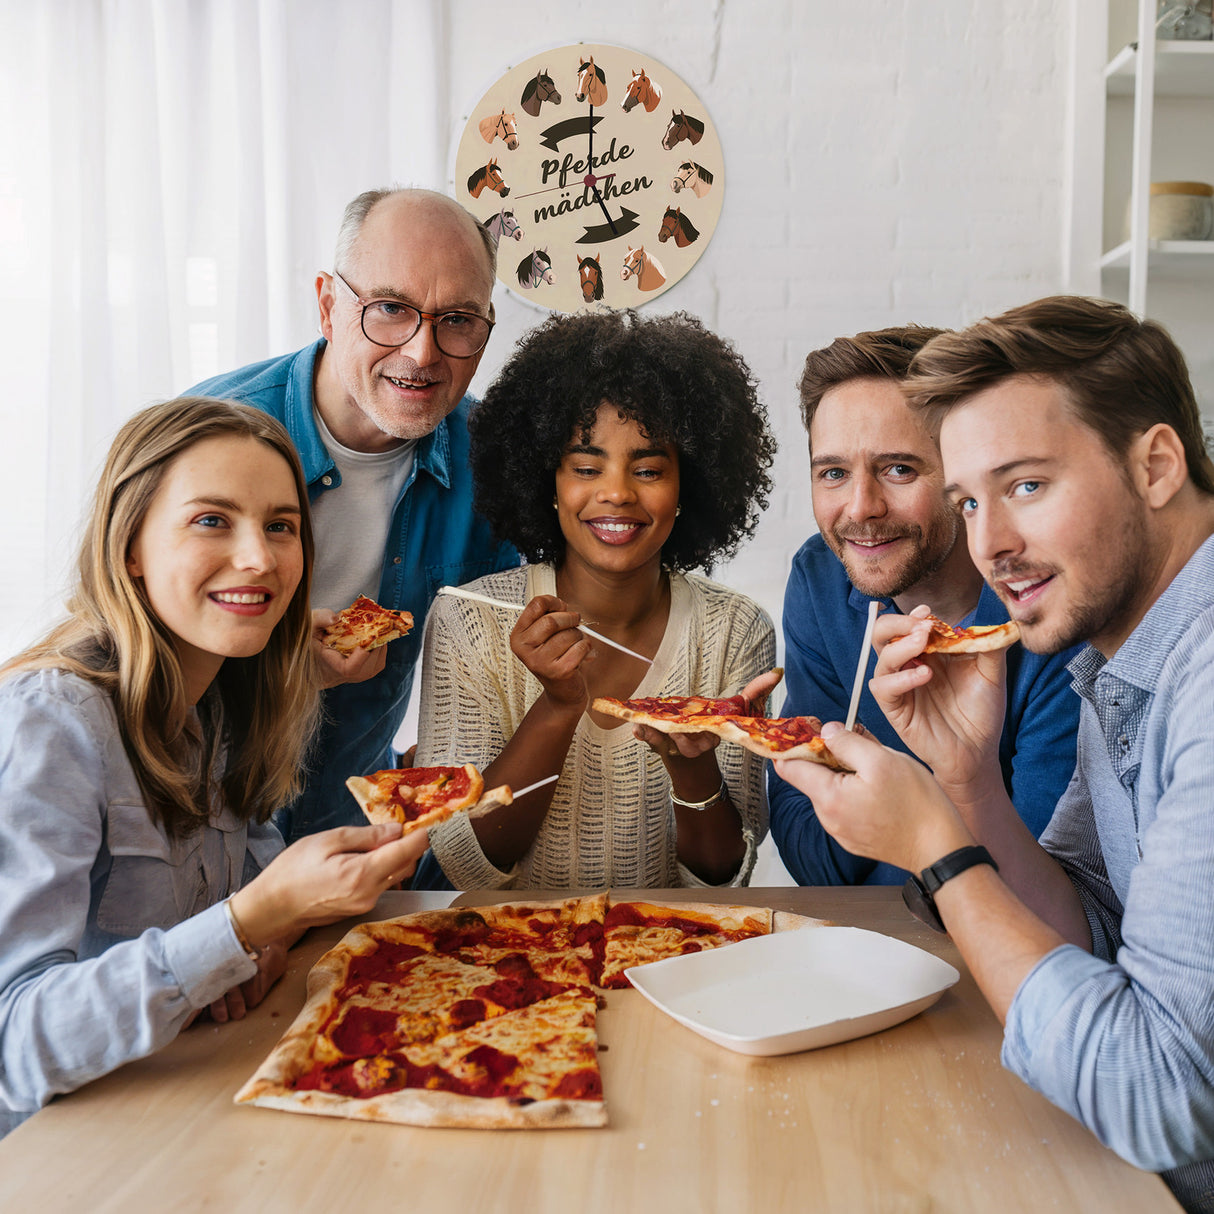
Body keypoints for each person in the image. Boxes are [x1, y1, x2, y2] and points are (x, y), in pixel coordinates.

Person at [776, 297, 1214, 1212]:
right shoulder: (1119, 648)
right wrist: (970, 783)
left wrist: (941, 847)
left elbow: (1159, 1097)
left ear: (1157, 465)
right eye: (971, 500)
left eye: (1024, 486)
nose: (991, 545)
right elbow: (1088, 929)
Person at [0, 398, 428, 1137]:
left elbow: (242, 894)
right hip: (59, 1154)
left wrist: (253, 944)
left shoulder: (224, 694)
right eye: (211, 520)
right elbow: (12, 1045)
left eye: (280, 526)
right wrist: (253, 920)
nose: (260, 558)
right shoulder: (50, 720)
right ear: (130, 545)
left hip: (180, 1102)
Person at [189, 188, 518, 843]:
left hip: (354, 843)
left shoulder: (498, 466)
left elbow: (500, 673)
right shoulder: (201, 438)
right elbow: (119, 664)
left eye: (457, 319)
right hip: (191, 840)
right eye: (391, 309)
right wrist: (280, 663)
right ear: (327, 304)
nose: (423, 353)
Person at [413, 310, 780, 890]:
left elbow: (723, 878)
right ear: (547, 482)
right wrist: (558, 705)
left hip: (673, 962)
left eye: (650, 469)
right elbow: (467, 864)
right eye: (586, 466)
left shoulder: (735, 629)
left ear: (690, 486)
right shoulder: (470, 619)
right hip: (508, 964)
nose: (616, 492)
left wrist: (692, 767)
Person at [768, 325, 1080, 885]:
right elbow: (807, 853)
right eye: (834, 473)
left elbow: (1044, 883)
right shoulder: (818, 577)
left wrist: (889, 802)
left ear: (961, 478)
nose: (861, 508)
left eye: (899, 469)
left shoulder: (1049, 610)